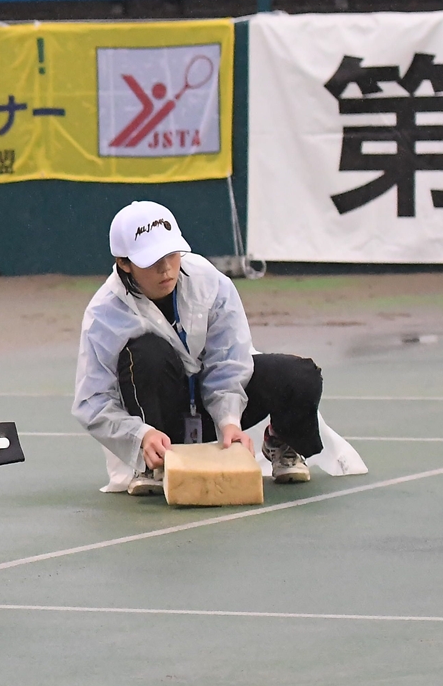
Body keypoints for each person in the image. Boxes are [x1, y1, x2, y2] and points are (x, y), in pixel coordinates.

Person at [73, 201, 360, 497]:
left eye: (172, 254)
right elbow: (92, 401)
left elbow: (230, 359)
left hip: (212, 413)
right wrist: (140, 436)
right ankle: (151, 464)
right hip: (159, 426)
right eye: (151, 260)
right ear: (124, 263)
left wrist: (229, 422)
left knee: (299, 375)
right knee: (145, 353)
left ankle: (281, 441)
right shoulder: (104, 314)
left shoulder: (209, 282)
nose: (166, 268)